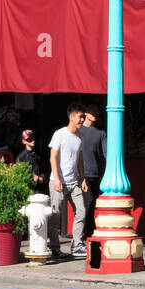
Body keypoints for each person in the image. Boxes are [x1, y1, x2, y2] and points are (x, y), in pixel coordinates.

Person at [49, 103, 89, 260]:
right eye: (80, 116)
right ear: (71, 117)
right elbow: (53, 157)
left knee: (81, 211)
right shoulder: (59, 134)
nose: (82, 120)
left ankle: (77, 245)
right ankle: (55, 248)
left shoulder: (81, 136)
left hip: (74, 182)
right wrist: (57, 179)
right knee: (55, 216)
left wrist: (83, 179)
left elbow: (79, 160)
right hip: (58, 182)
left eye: (83, 117)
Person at [80, 105, 106, 239]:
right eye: (93, 110)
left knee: (92, 204)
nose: (96, 112)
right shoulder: (78, 131)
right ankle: (88, 231)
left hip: (95, 173)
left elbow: (106, 154)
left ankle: (87, 232)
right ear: (86, 113)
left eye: (97, 110)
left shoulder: (100, 133)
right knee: (87, 203)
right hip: (81, 174)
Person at [17, 129, 49, 194]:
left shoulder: (38, 154)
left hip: (40, 189)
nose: (32, 140)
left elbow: (43, 169)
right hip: (27, 190)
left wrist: (42, 177)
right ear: (24, 141)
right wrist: (31, 177)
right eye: (29, 139)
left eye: (33, 137)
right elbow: (18, 174)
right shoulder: (21, 157)